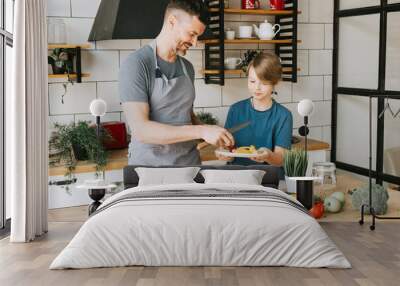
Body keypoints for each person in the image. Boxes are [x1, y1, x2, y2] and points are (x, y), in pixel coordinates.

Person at [119, 0, 234, 165]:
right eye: (192, 34)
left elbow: (186, 116)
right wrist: (201, 130)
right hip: (150, 171)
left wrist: (213, 135)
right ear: (172, 22)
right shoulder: (137, 64)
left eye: (198, 36)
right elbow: (141, 130)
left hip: (189, 167)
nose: (195, 43)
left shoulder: (187, 67)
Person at [217, 52, 293, 166]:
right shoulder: (235, 110)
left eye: (263, 83)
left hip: (268, 179)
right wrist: (224, 154)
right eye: (252, 81)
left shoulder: (283, 115)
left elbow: (281, 160)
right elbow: (228, 149)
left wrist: (268, 156)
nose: (257, 88)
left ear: (274, 82)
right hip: (236, 177)